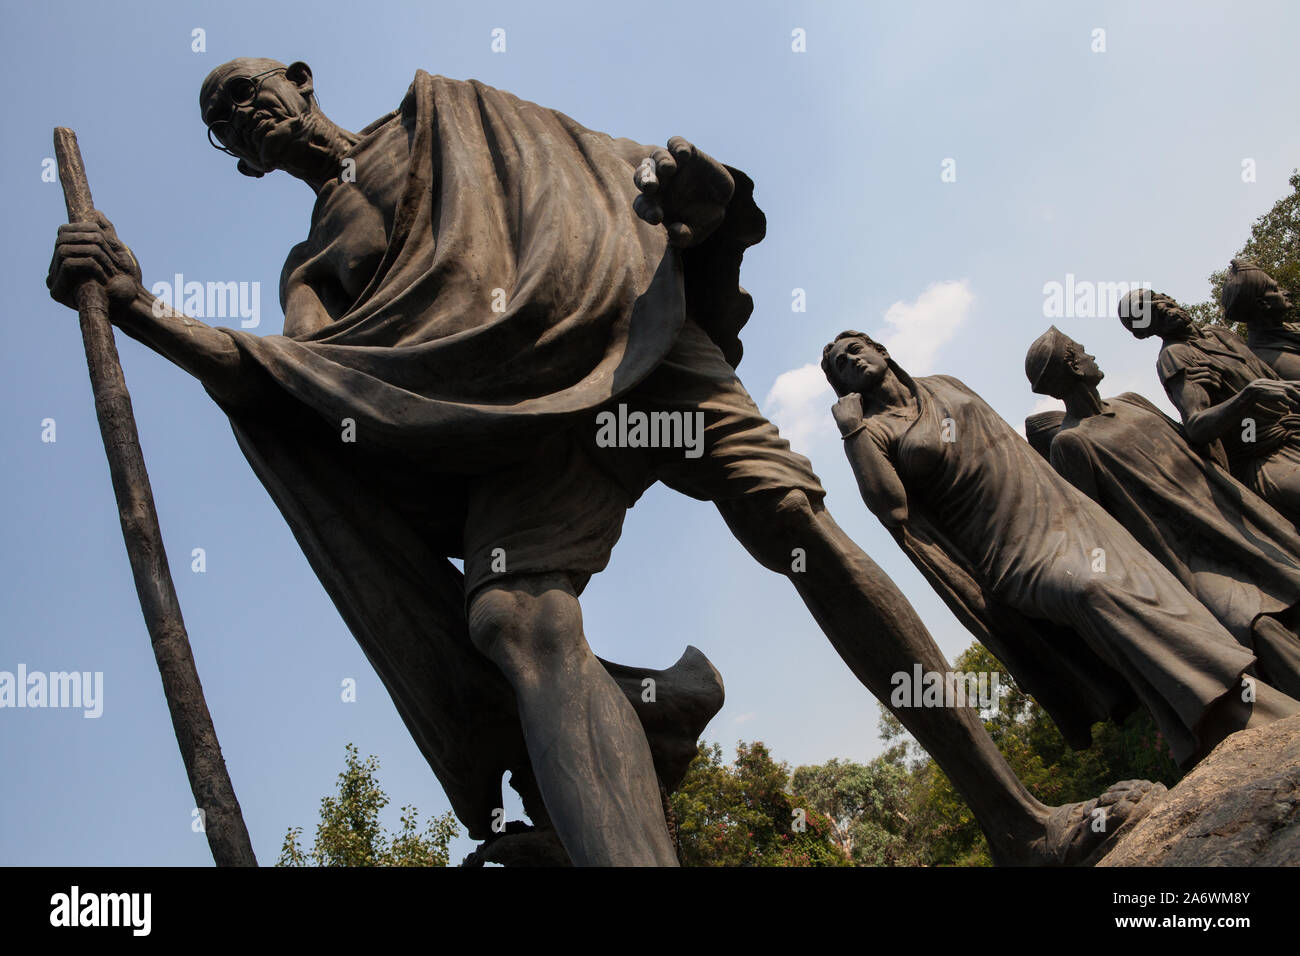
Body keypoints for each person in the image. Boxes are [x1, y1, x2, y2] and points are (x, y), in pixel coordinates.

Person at [50, 57, 1160, 866]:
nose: (245, 115)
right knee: (513, 619)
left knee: (794, 524)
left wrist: (700, 196)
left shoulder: (454, 112)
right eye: (225, 123)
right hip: (512, 422)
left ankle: (1023, 821)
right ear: (243, 166)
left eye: (248, 91)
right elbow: (295, 375)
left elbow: (609, 185)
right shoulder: (310, 266)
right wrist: (142, 309)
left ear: (298, 80)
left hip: (625, 337)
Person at [822, 330, 1298, 775]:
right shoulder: (876, 433)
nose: (853, 360)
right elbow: (891, 507)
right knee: (1091, 589)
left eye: (857, 349)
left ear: (882, 351)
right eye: (841, 365)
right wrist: (852, 434)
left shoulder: (944, 384)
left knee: (1149, 589)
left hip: (1058, 511)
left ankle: (1232, 714)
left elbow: (1010, 445)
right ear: (842, 386)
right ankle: (1224, 712)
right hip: (1007, 552)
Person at [1025, 326, 1300, 698]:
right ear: (1073, 365)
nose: (1091, 353)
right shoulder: (1071, 443)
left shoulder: (1132, 401)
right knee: (1256, 624)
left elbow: (1203, 448)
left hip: (1233, 517)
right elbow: (1102, 531)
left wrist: (1226, 400)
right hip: (1190, 557)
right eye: (1081, 349)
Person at [1119, 289, 1300, 530]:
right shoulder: (1177, 356)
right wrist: (1248, 395)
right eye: (1147, 310)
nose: (1160, 306)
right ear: (1142, 331)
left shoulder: (1218, 333)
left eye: (1157, 299)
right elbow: (1197, 426)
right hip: (1267, 457)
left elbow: (1273, 380)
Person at [1221, 259, 1300, 379]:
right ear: (1262, 303)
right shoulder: (1265, 361)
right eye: (1275, 289)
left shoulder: (1291, 332)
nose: (1286, 292)